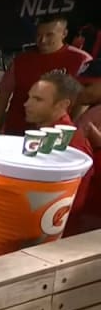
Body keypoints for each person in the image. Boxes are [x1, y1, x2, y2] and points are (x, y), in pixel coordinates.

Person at [0, 16, 92, 136]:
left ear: (64, 34)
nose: (42, 40)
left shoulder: (81, 59)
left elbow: (84, 100)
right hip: (16, 131)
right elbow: (3, 94)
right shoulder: (21, 60)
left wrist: (70, 131)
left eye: (49, 35)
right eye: (39, 35)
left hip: (54, 134)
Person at [23, 71, 95, 234]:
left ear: (62, 105)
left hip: (53, 233)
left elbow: (73, 202)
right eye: (29, 97)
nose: (27, 104)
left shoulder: (71, 144)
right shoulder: (43, 133)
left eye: (37, 99)